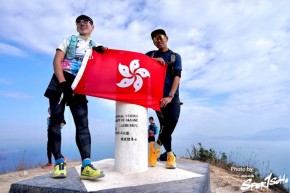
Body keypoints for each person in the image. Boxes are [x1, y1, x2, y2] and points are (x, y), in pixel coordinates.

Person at [44, 15, 106, 179]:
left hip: (79, 85)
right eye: (79, 21)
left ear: (93, 27)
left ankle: (86, 165)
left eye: (87, 21)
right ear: (76, 26)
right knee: (55, 121)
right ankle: (58, 163)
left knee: (83, 124)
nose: (83, 23)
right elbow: (57, 61)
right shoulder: (68, 39)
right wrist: (63, 82)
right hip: (61, 80)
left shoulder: (97, 46)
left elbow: (110, 61)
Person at [146, 29, 182, 169]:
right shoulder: (151, 54)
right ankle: (170, 155)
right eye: (155, 39)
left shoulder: (175, 56)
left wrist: (170, 96)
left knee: (171, 121)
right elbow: (137, 61)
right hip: (156, 98)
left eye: (160, 37)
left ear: (167, 38)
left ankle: (154, 147)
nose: (158, 40)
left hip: (172, 96)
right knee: (164, 127)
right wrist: (154, 60)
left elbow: (177, 77)